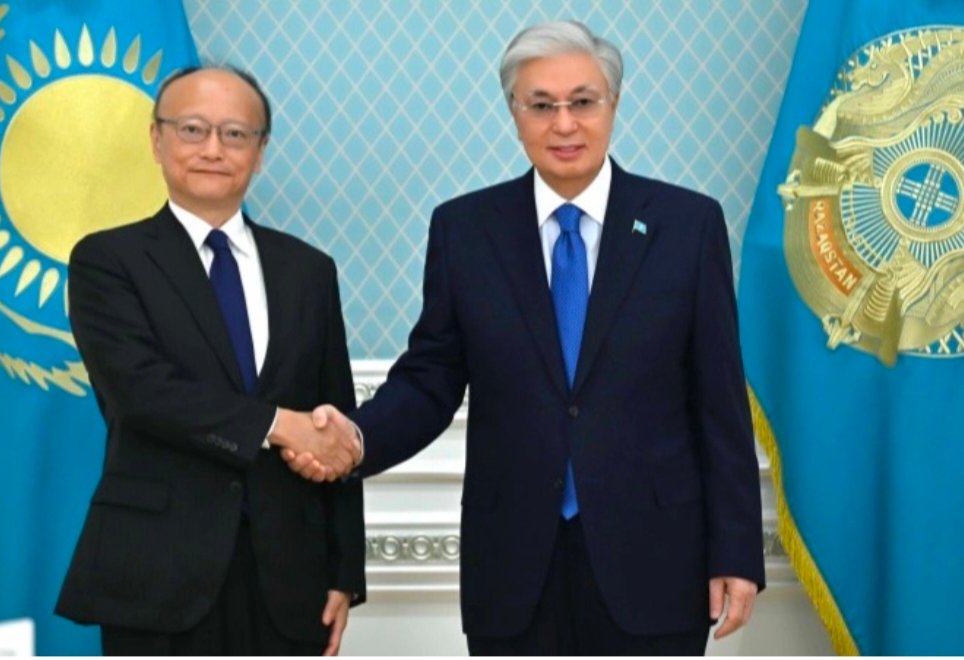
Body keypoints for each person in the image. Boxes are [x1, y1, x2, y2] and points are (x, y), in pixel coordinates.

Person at [285, 20, 765, 655]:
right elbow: (430, 379)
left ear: (613, 104)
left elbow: (719, 402)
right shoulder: (464, 229)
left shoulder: (687, 224)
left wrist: (736, 550)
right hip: (513, 564)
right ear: (514, 113)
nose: (563, 124)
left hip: (655, 558)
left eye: (582, 102)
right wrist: (355, 439)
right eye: (541, 105)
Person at [55, 66, 365, 656]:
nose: (213, 150)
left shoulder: (308, 270)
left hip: (290, 577)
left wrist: (344, 571)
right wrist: (279, 425)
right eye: (193, 129)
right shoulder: (108, 260)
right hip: (158, 570)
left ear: (260, 151)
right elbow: (140, 393)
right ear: (157, 139)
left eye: (235, 134)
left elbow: (335, 420)